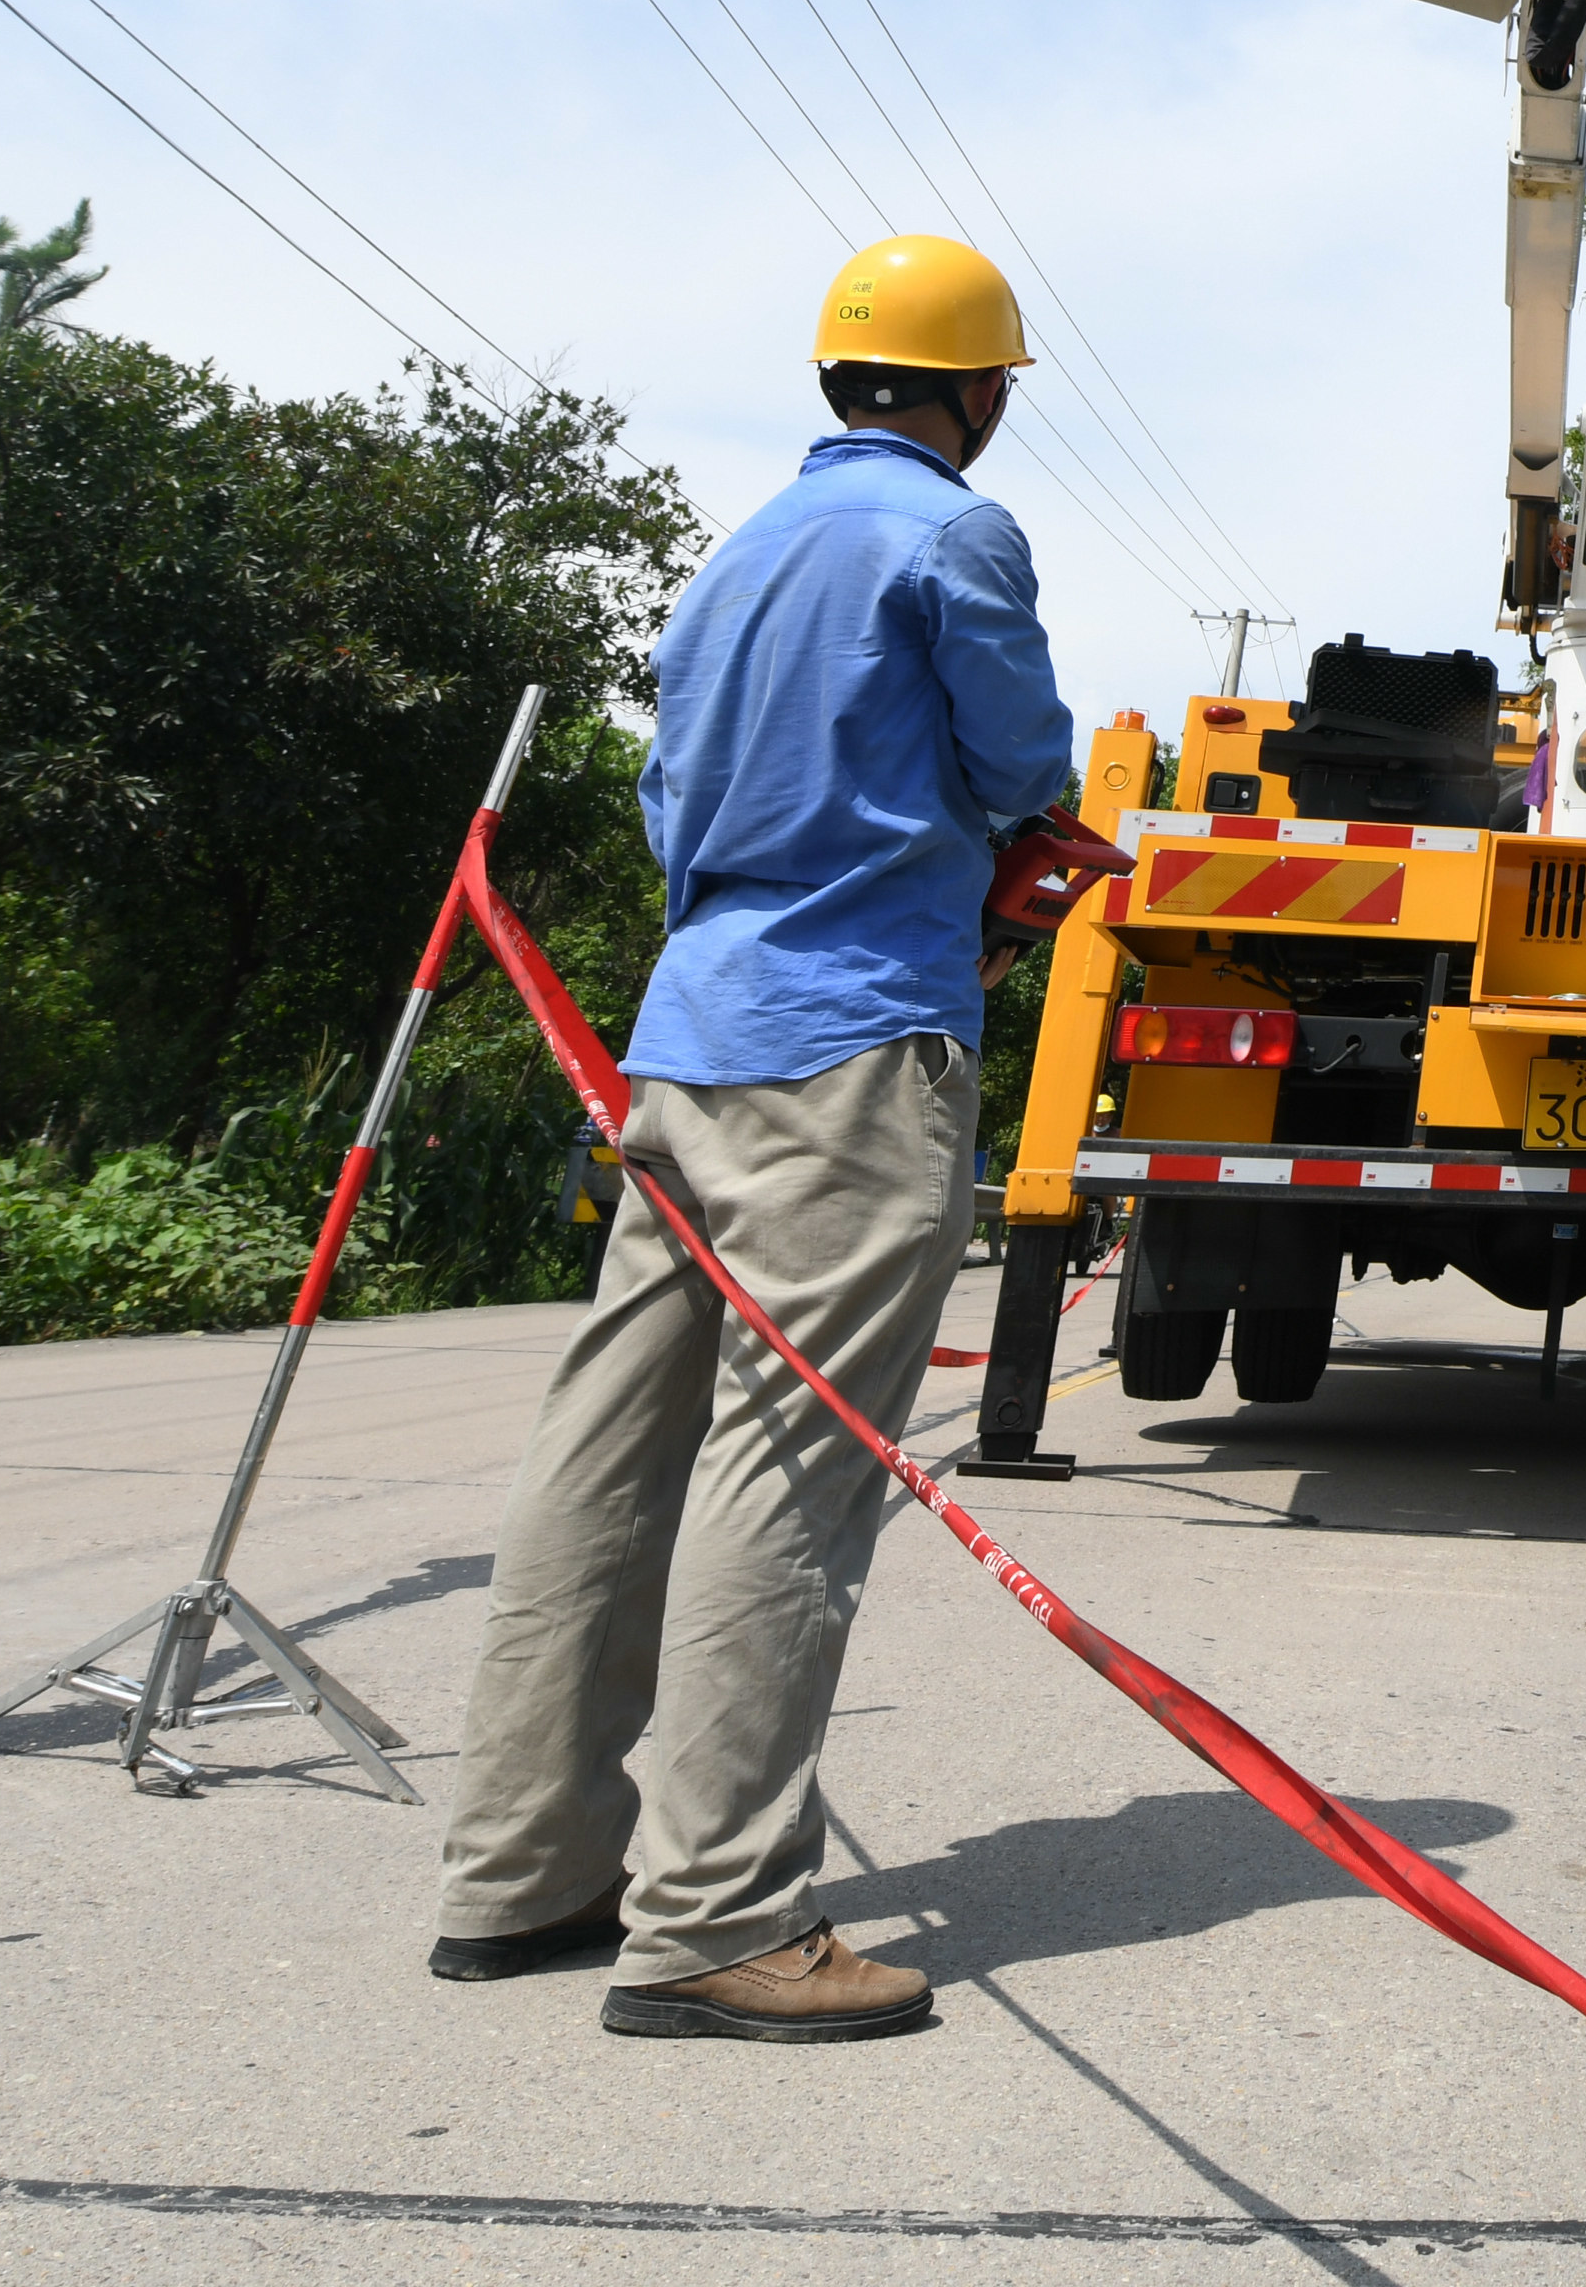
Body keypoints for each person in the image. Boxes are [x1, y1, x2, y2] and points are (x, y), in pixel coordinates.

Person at [429, 232, 1080, 2042]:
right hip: (854, 1052)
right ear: (975, 393)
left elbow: (669, 798)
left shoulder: (736, 564)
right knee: (789, 1472)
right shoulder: (950, 537)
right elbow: (1029, 763)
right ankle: (714, 1917)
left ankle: (523, 1873)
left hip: (687, 1047)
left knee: (607, 1453)